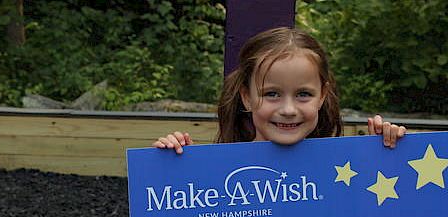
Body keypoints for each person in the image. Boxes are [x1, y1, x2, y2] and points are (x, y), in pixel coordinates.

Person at [153, 27, 405, 154]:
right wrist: (174, 163)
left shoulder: (345, 170)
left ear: (322, 96)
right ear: (246, 97)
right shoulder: (214, 173)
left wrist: (385, 151)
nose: (287, 109)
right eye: (272, 94)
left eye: (303, 94)